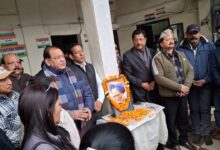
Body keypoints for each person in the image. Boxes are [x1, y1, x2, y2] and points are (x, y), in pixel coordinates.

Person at [152, 29, 196, 150]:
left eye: (172, 39)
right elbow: (159, 78)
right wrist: (179, 87)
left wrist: (185, 86)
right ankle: (174, 143)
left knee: (184, 119)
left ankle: (184, 140)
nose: (171, 41)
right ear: (161, 43)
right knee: (170, 122)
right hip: (168, 97)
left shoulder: (181, 54)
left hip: (182, 94)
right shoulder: (157, 58)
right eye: (167, 40)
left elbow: (190, 71)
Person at [34, 46, 95, 131]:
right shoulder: (40, 81)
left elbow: (87, 92)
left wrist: (88, 107)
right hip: (61, 129)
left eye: (62, 56)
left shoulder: (74, 71)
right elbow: (44, 110)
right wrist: (70, 115)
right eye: (58, 58)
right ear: (48, 61)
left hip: (83, 124)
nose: (62, 60)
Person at [178, 24, 215, 145]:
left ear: (199, 33)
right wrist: (188, 82)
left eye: (195, 33)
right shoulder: (180, 48)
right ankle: (197, 132)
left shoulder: (209, 45)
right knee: (194, 109)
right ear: (186, 35)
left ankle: (206, 132)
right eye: (190, 33)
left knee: (205, 109)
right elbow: (180, 68)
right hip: (190, 85)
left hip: (206, 84)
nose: (193, 35)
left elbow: (213, 65)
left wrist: (206, 79)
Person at [18, 84, 76, 150]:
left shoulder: (47, 132)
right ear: (45, 112)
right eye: (59, 105)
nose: (60, 109)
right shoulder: (42, 148)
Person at [67, 43, 105, 128]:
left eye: (82, 51)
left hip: (98, 108)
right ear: (71, 56)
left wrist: (100, 100)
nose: (81, 54)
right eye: (77, 53)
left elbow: (99, 83)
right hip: (84, 112)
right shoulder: (69, 71)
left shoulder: (90, 66)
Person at [123, 29, 159, 104]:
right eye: (136, 40)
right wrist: (141, 84)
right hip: (139, 92)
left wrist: (154, 80)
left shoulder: (153, 52)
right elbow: (127, 75)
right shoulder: (128, 56)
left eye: (141, 39)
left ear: (145, 39)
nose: (138, 42)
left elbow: (158, 68)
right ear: (133, 40)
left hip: (155, 89)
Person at [0, 66, 22, 149]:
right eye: (3, 80)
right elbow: (5, 137)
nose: (9, 82)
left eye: (8, 78)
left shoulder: (15, 94)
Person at [211, 45, 220, 140]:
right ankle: (219, 127)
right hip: (219, 86)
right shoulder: (216, 51)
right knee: (218, 109)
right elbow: (213, 69)